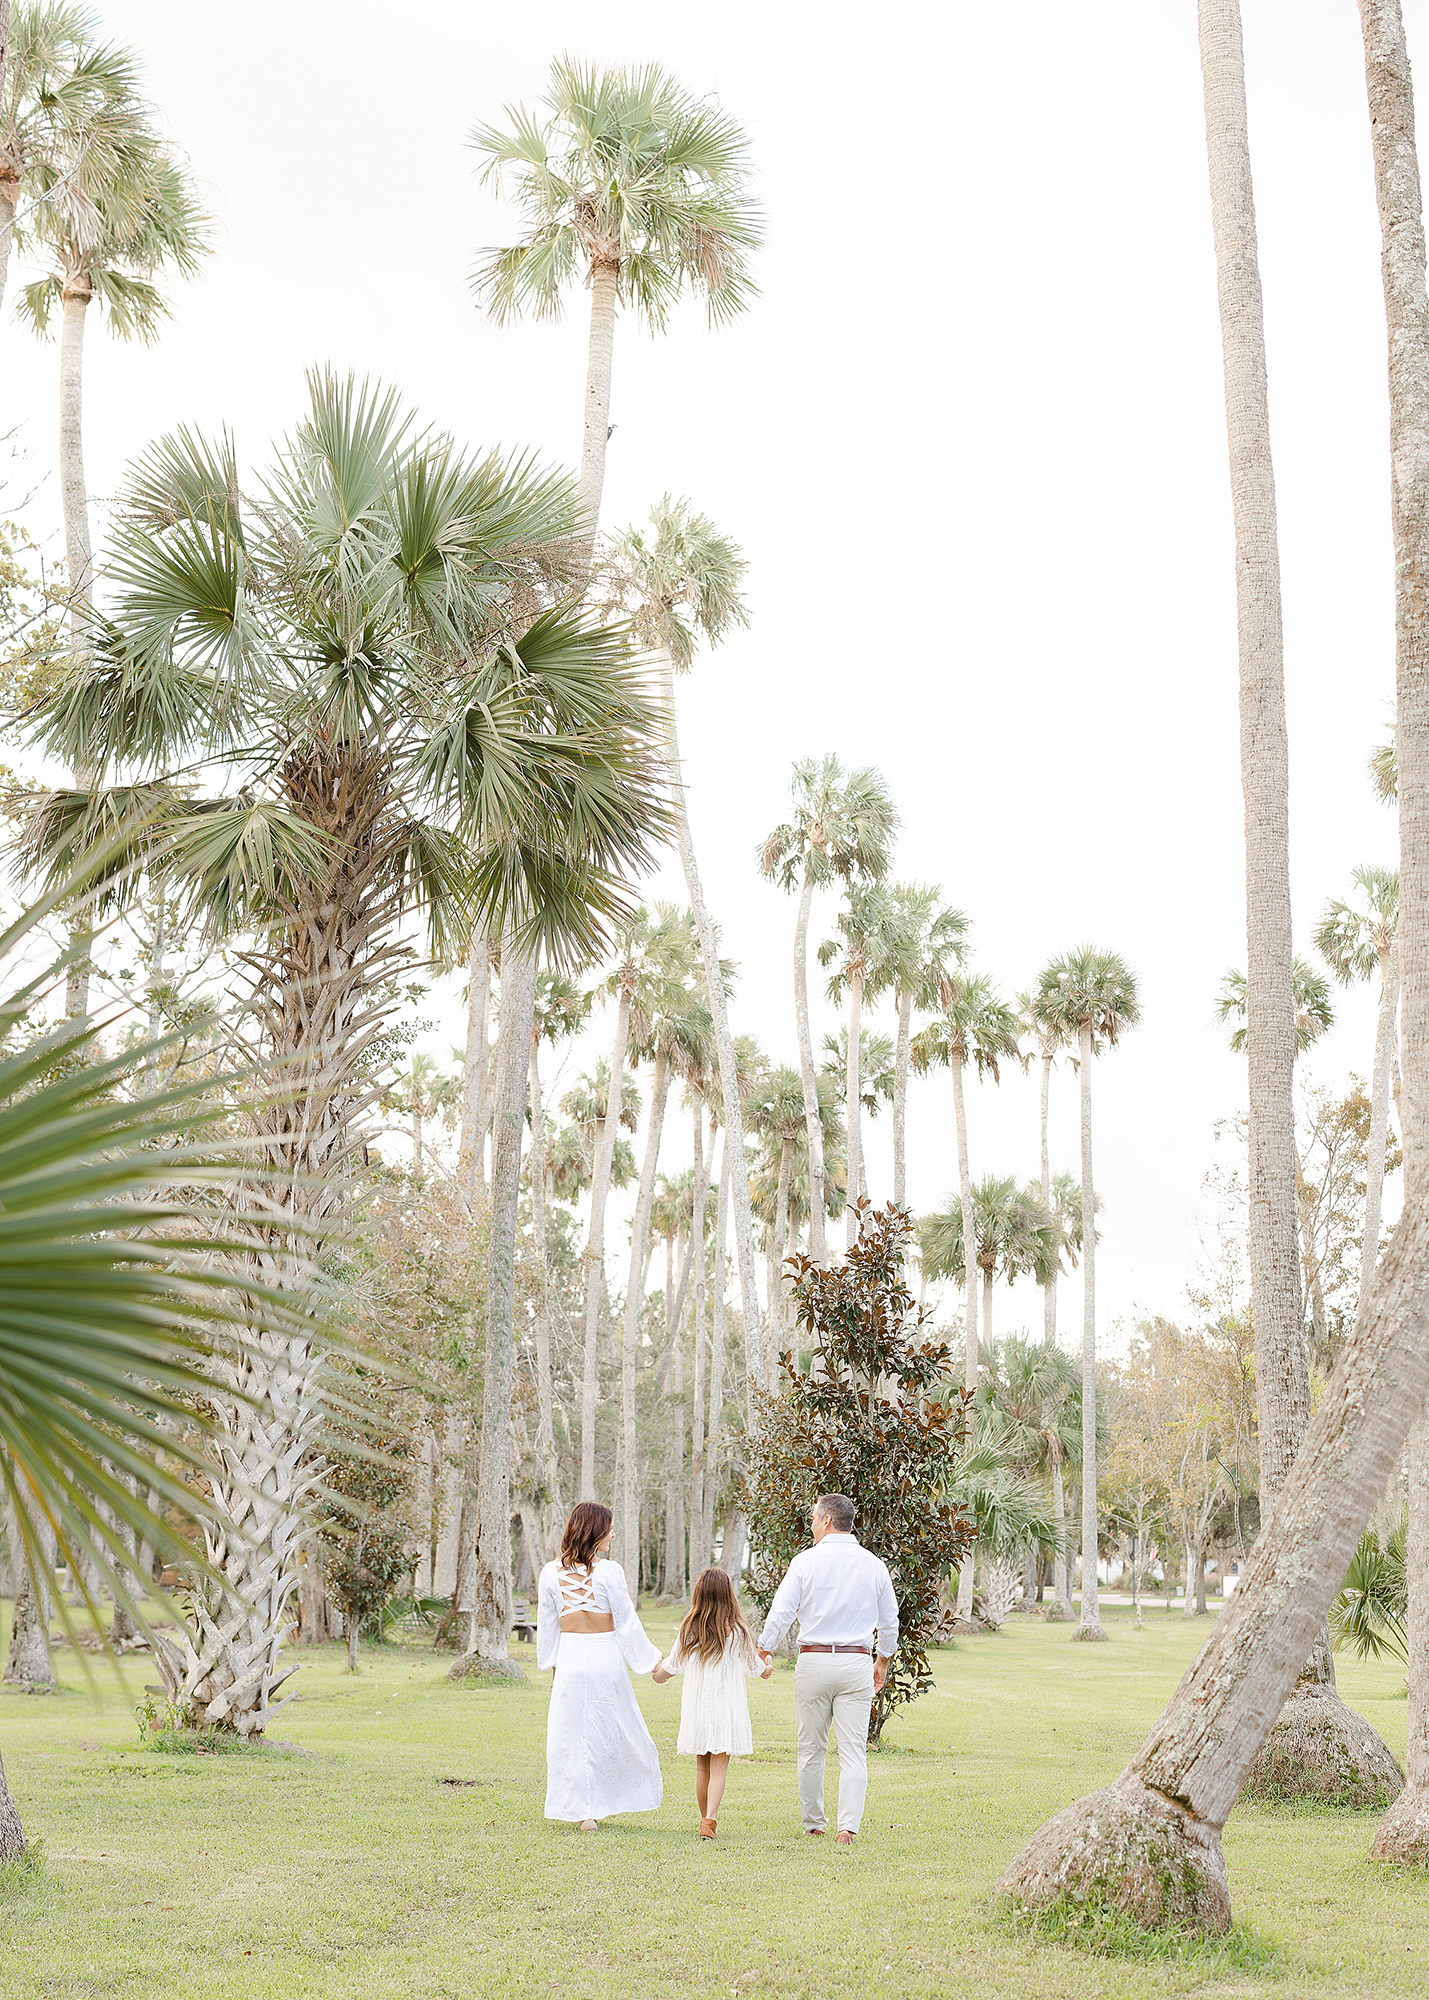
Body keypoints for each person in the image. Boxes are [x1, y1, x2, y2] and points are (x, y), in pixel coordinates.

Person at [756, 1492, 898, 1846]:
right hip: (856, 1661)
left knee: (810, 1748)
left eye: (814, 1518)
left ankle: (814, 1824)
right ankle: (846, 1828)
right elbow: (890, 1621)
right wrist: (882, 1660)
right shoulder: (873, 1564)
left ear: (827, 1521)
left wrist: (764, 1647)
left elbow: (782, 1611)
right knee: (853, 1750)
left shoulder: (805, 1562)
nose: (813, 1524)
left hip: (814, 1660)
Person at [536, 1500, 663, 1832]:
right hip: (605, 1656)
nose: (613, 1534)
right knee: (611, 1729)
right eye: (609, 1529)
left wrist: (552, 1667)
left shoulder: (550, 1572)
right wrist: (649, 1661)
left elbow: (548, 1626)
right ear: (596, 1532)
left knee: (570, 1736)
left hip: (571, 1658)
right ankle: (601, 1802)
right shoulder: (610, 1571)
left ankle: (583, 1810)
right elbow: (626, 1621)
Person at [652, 1566, 763, 1841]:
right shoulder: (737, 1630)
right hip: (726, 1706)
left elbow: (671, 1666)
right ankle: (709, 1820)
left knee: (702, 1766)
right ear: (728, 1594)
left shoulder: (690, 1627)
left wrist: (656, 1673)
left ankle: (705, 1822)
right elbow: (755, 1667)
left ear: (700, 1593)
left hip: (698, 1706)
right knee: (719, 1767)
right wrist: (768, 1666)